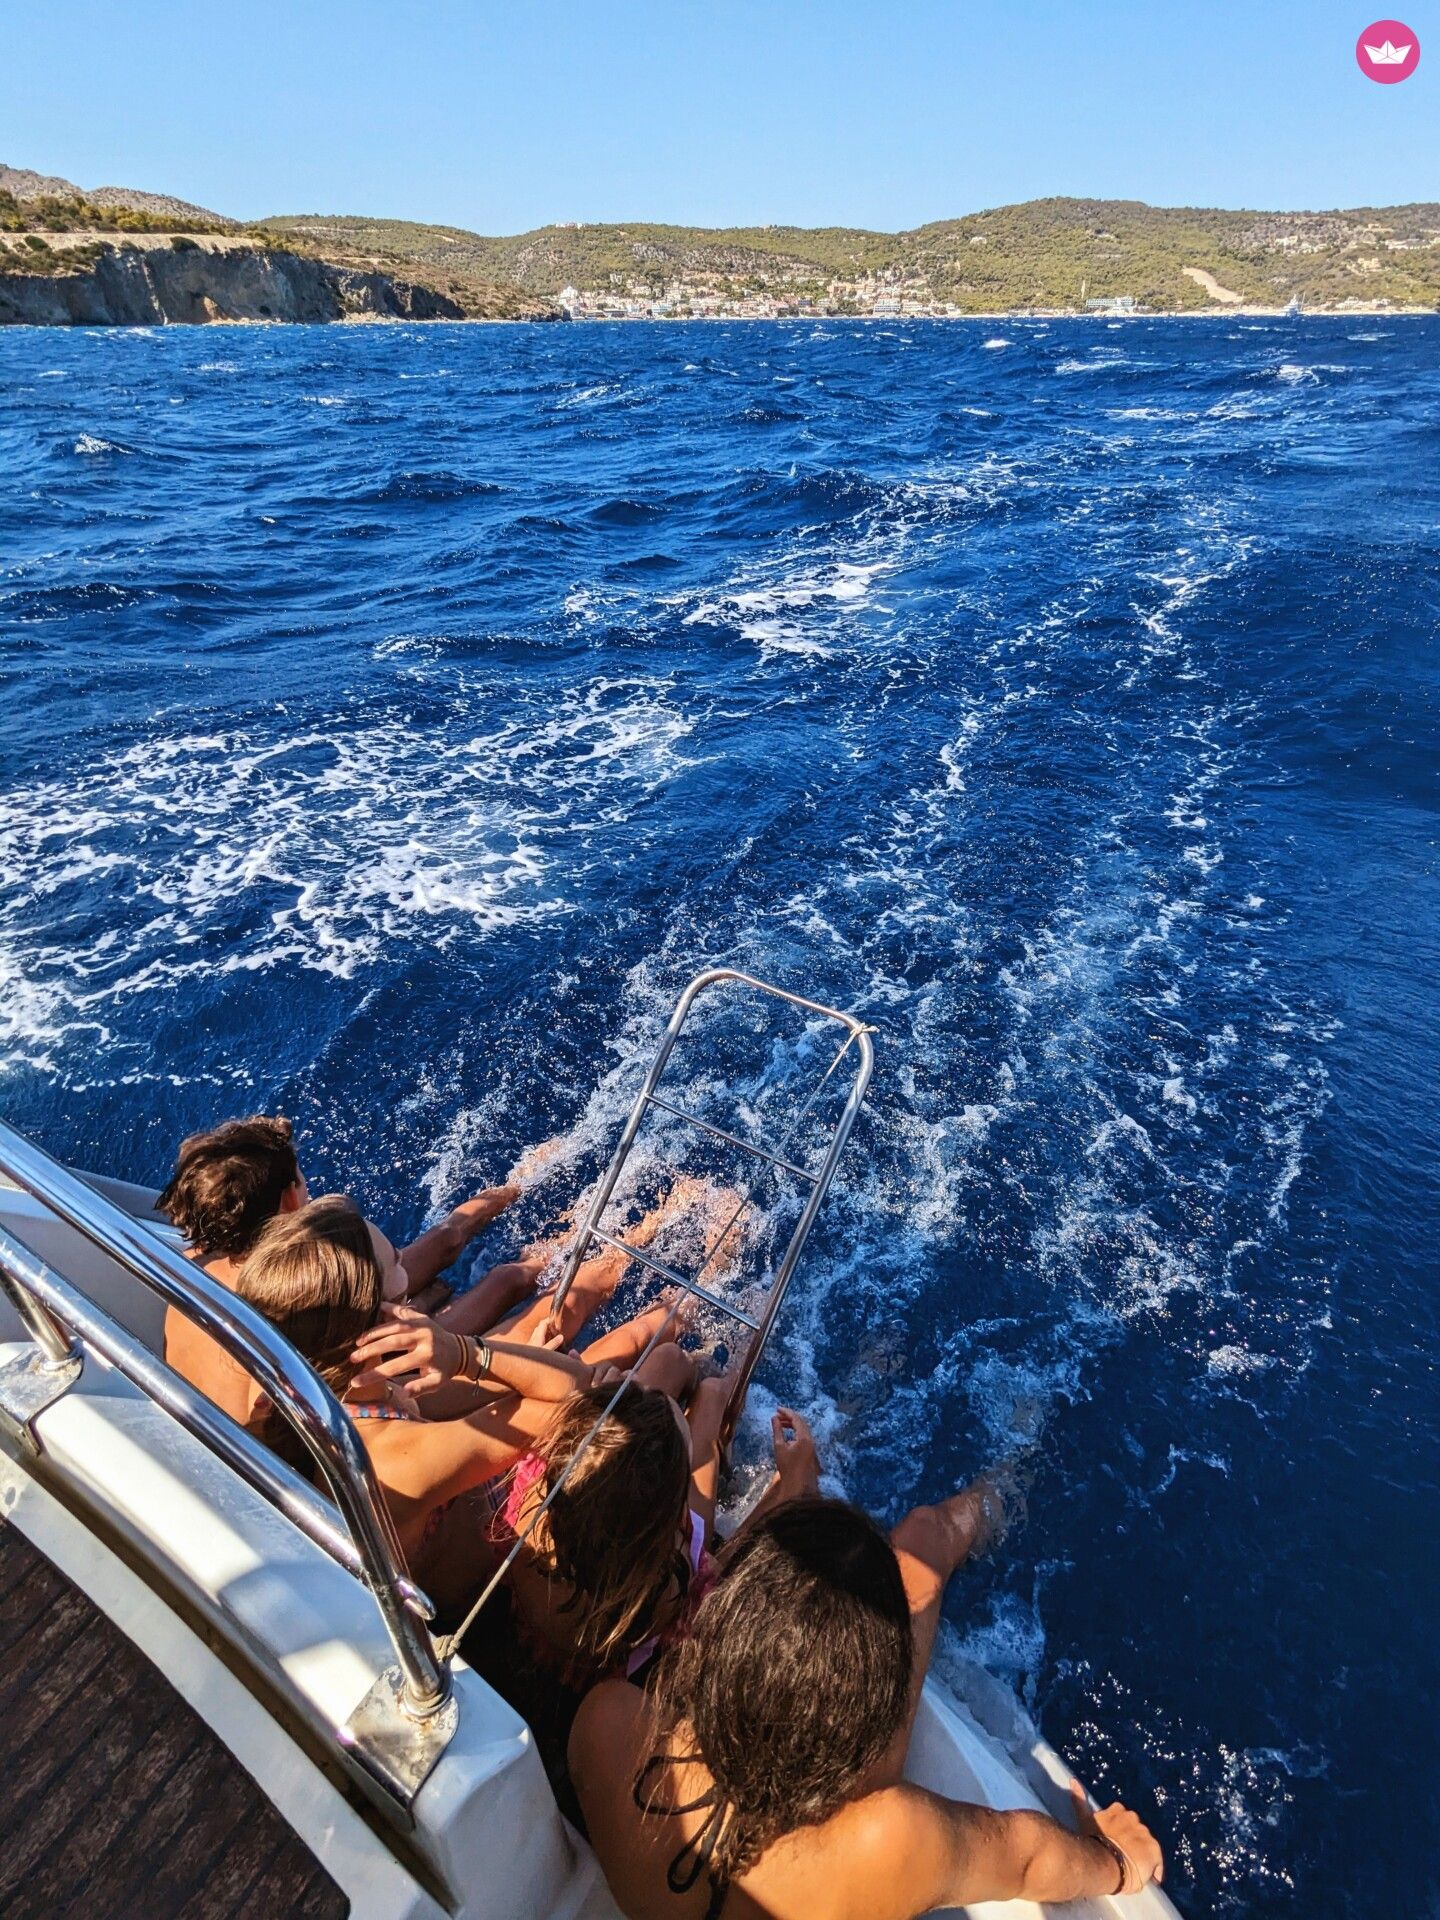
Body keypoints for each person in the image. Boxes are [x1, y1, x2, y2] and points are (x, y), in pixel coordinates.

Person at [570, 1431, 1164, 1919]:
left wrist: (788, 1493)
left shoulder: (604, 1724)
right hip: (825, 1835)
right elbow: (1028, 1859)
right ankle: (1028, 1455)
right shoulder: (886, 1842)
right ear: (865, 1723)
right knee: (923, 1540)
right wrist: (1118, 1862)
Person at [466, 1372, 731, 1807]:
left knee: (666, 1386)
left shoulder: (527, 1514)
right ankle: (713, 1394)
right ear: (664, 1526)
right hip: (601, 1667)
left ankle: (686, 1389)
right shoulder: (670, 1592)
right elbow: (703, 1569)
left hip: (541, 1637)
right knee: (712, 1405)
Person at [157, 1114, 525, 1424]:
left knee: (433, 1258)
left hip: (234, 1432)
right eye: (302, 1180)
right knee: (502, 1281)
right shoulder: (297, 1286)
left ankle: (514, 1195)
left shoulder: (194, 1264)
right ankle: (528, 1186)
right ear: (289, 1198)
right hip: (337, 1423)